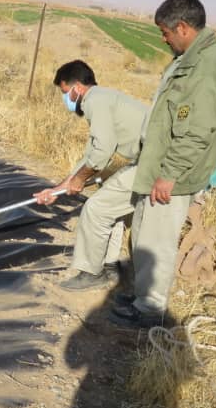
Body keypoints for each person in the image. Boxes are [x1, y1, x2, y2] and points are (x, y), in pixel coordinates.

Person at [59, 0, 216, 324]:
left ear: (182, 27)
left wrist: (170, 174)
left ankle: (150, 310)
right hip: (152, 164)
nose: (163, 39)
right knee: (125, 219)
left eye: (165, 33)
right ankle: (123, 287)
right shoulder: (190, 59)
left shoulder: (206, 67)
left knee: (157, 238)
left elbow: (197, 131)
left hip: (170, 172)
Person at [34, 59, 148, 291]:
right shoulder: (101, 98)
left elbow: (102, 154)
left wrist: (78, 180)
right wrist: (56, 190)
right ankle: (109, 266)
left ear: (77, 88)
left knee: (95, 209)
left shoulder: (95, 101)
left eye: (65, 93)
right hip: (146, 160)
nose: (65, 99)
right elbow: (89, 157)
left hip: (154, 162)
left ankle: (92, 273)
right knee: (110, 206)